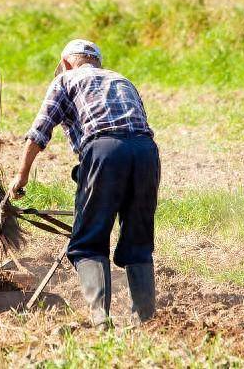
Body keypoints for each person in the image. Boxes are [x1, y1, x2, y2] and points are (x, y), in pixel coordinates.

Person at [9, 39, 160, 328]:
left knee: (88, 242)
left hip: (104, 152)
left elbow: (39, 132)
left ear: (66, 63)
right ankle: (146, 319)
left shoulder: (65, 79)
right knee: (138, 240)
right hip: (146, 153)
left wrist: (21, 175)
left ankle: (101, 320)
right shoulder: (121, 80)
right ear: (97, 62)